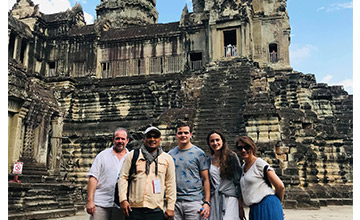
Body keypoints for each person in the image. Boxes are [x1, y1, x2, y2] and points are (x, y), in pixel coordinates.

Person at [118, 126, 176, 220]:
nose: (152, 139)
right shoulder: (132, 155)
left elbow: (170, 184)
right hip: (134, 209)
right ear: (144, 139)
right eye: (149, 136)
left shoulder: (167, 159)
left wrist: (170, 207)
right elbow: (123, 178)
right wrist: (123, 200)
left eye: (155, 137)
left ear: (160, 139)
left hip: (155, 209)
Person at [168, 122, 211, 220]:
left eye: (186, 133)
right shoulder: (170, 155)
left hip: (194, 201)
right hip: (175, 202)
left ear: (191, 134)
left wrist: (206, 202)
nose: (183, 135)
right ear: (176, 135)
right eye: (180, 133)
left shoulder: (199, 154)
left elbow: (206, 179)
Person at [236, 136, 285, 220]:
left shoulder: (259, 163)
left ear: (252, 147)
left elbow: (280, 186)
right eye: (240, 148)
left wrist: (277, 204)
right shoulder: (243, 167)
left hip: (267, 204)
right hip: (254, 208)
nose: (243, 150)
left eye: (246, 147)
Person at [86, 127, 130, 220]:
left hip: (120, 204)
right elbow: (93, 178)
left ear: (127, 141)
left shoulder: (130, 157)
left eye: (123, 139)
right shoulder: (102, 156)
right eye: (117, 138)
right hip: (101, 202)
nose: (120, 141)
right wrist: (90, 201)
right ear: (113, 140)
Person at [206, 130, 245, 220]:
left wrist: (240, 205)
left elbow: (238, 181)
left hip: (230, 197)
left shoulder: (231, 157)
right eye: (212, 141)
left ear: (222, 141)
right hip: (214, 198)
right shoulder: (208, 161)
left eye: (217, 140)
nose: (215, 143)